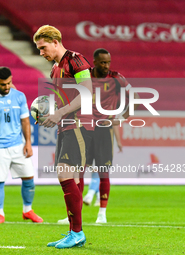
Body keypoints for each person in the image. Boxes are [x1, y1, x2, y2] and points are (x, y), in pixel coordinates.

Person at [57, 48, 139, 224]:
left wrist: (121, 118)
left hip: (103, 129)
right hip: (84, 127)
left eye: (108, 62)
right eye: (103, 62)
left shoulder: (116, 78)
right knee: (78, 171)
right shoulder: (84, 76)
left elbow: (135, 97)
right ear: (94, 62)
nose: (106, 65)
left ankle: (102, 213)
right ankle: (73, 214)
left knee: (103, 171)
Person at [33, 25, 93, 249]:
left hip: (80, 125)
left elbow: (87, 93)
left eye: (43, 47)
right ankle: (74, 232)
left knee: (64, 173)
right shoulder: (54, 70)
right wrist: (49, 114)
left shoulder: (76, 60)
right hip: (66, 126)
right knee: (72, 177)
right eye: (38, 49)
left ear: (55, 42)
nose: (41, 53)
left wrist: (60, 113)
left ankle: (76, 232)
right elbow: (60, 99)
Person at [0, 66, 43, 224]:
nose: (6, 87)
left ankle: (27, 210)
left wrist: (28, 142)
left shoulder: (19, 97)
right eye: (3, 84)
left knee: (29, 177)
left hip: (17, 145)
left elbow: (25, 121)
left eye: (8, 83)